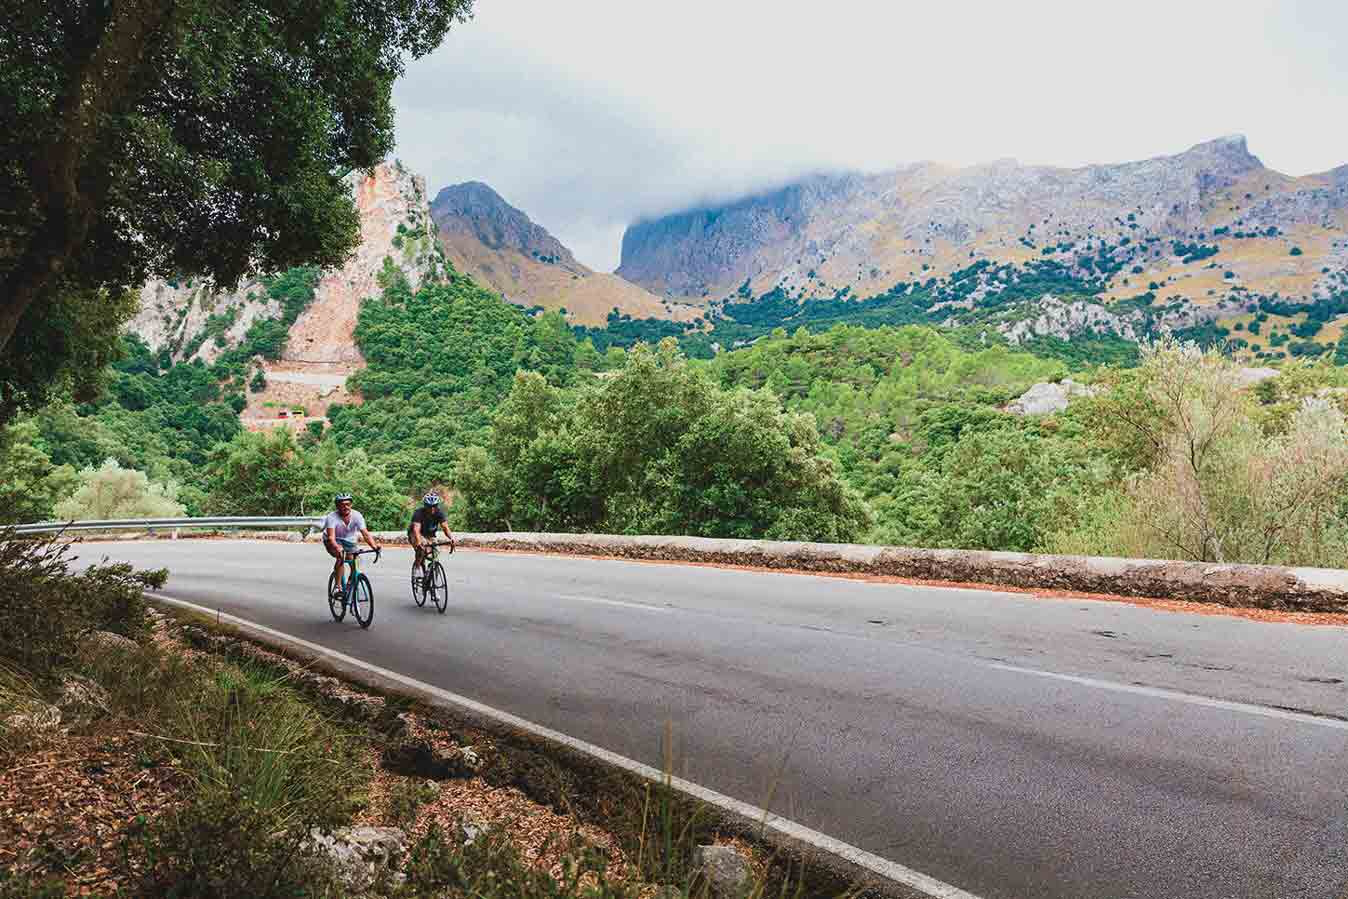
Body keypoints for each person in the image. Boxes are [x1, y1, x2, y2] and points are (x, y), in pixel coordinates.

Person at [323, 493, 381, 593]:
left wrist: (374, 547)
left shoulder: (357, 515)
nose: (346, 507)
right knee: (340, 556)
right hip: (332, 540)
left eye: (348, 504)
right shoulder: (332, 517)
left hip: (349, 540)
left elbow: (365, 534)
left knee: (355, 561)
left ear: (351, 505)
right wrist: (337, 547)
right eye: (342, 504)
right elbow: (331, 537)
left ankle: (350, 583)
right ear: (337, 506)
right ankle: (338, 586)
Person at [408, 492, 454, 578]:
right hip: (416, 534)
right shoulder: (418, 513)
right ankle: (417, 567)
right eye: (429, 506)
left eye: (434, 506)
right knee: (421, 550)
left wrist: (451, 538)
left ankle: (431, 572)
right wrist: (419, 542)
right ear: (425, 506)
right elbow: (416, 530)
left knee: (434, 553)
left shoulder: (439, 513)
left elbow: (445, 527)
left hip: (430, 535)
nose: (432, 509)